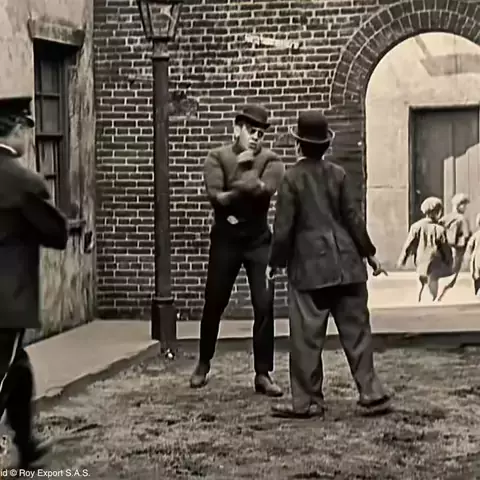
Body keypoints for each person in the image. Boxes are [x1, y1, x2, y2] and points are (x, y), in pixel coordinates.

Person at [267, 110, 391, 419]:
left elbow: (283, 228)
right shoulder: (338, 174)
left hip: (310, 269)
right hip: (348, 265)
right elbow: (353, 218)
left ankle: (307, 401)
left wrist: (275, 262)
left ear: (298, 145)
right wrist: (369, 253)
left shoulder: (291, 178)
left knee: (306, 338)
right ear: (326, 145)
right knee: (358, 333)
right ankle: (372, 393)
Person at [189, 104, 285, 397]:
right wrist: (246, 186)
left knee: (264, 304)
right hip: (226, 240)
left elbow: (264, 190)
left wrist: (243, 176)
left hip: (258, 241)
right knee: (215, 301)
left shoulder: (271, 160)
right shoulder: (217, 157)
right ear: (236, 129)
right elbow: (216, 198)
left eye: (260, 133)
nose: (255, 137)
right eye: (251, 131)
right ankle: (203, 362)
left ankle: (263, 373)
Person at [0, 96, 68, 470]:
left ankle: (26, 445)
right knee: (2, 376)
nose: (29, 136)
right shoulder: (23, 181)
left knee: (19, 370)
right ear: (16, 130)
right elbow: (56, 233)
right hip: (6, 300)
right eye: (26, 129)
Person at [397, 197, 452, 303]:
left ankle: (419, 300)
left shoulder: (416, 226)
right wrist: (448, 260)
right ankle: (432, 300)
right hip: (435, 260)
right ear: (437, 212)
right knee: (433, 281)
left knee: (421, 281)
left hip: (421, 259)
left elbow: (408, 245)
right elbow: (445, 247)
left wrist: (402, 259)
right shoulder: (439, 229)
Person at [437, 193, 471, 301]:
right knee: (453, 275)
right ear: (458, 205)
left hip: (446, 249)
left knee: (447, 273)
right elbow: (466, 235)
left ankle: (438, 294)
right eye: (464, 205)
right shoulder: (462, 219)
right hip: (457, 250)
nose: (465, 207)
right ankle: (440, 295)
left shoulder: (445, 218)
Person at [465, 213, 480, 297]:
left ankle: (477, 292)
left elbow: (469, 247)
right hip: (477, 258)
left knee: (477, 277)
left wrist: (469, 256)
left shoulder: (475, 235)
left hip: (476, 258)